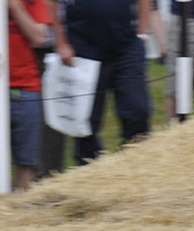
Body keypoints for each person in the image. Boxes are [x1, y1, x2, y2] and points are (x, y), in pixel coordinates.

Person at [0, 0, 63, 189]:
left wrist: (16, 7)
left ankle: (19, 210)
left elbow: (39, 37)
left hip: (26, 85)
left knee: (26, 159)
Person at [61, 0, 152, 163]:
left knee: (137, 110)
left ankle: (136, 163)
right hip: (83, 50)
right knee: (86, 123)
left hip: (126, 46)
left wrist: (142, 34)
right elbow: (50, 3)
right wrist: (60, 42)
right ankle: (90, 173)